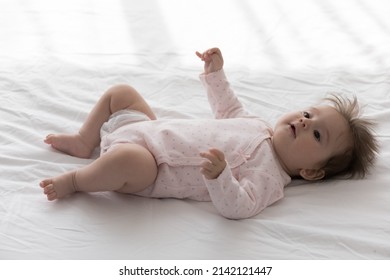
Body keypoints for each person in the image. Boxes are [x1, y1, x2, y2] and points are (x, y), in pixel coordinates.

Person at [40, 48, 379, 219]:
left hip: (152, 167)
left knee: (129, 160)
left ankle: (76, 181)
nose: (305, 122)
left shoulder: (270, 179)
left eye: (317, 135)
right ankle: (86, 140)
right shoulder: (258, 124)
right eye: (308, 114)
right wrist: (216, 75)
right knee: (122, 92)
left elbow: (240, 207)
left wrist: (221, 177)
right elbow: (227, 108)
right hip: (143, 130)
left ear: (311, 171)